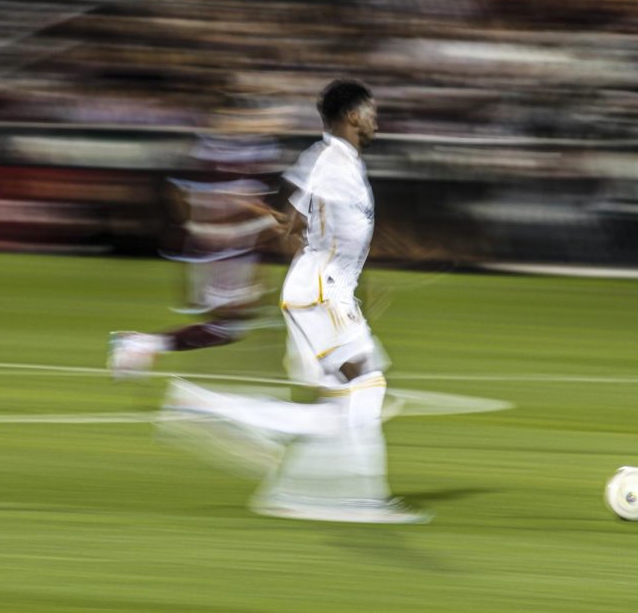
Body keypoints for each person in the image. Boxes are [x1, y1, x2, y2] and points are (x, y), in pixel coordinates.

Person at [163, 79, 430, 524]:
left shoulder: (339, 161)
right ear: (352, 117)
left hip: (327, 290)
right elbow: (298, 225)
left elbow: (297, 226)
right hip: (322, 292)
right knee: (367, 388)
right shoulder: (330, 161)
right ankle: (364, 501)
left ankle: (226, 428)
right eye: (371, 111)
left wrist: (353, 272)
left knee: (338, 408)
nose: (375, 119)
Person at [108, 104, 282, 377]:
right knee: (230, 324)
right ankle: (138, 344)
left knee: (230, 326)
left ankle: (141, 344)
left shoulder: (208, 154)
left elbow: (177, 192)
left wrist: (194, 226)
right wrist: (271, 219)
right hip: (224, 250)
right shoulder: (234, 159)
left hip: (226, 248)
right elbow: (240, 203)